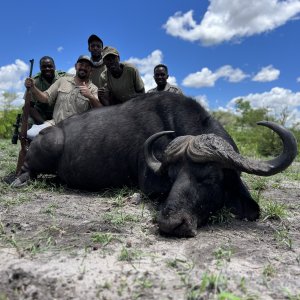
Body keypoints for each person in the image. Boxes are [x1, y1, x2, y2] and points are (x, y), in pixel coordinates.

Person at [25, 55, 101, 139]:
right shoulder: (62, 80)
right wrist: (33, 87)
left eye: (87, 66)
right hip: (55, 125)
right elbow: (45, 98)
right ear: (76, 66)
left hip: (77, 129)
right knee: (29, 134)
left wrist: (90, 96)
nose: (83, 68)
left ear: (91, 70)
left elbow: (100, 111)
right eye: (81, 65)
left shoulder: (93, 89)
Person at [28, 56, 67, 125]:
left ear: (54, 67)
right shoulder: (34, 81)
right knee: (29, 121)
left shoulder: (64, 78)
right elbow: (29, 106)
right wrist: (44, 123)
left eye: (49, 66)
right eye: (44, 67)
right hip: (41, 114)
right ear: (40, 68)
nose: (47, 69)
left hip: (59, 113)